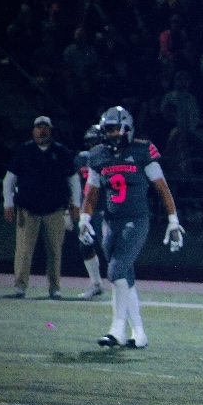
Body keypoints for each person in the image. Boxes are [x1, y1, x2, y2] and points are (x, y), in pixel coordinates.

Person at [78, 106, 185, 348]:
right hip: (111, 222)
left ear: (127, 129)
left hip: (136, 220)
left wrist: (173, 220)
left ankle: (116, 330)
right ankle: (139, 333)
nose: (113, 134)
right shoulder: (98, 155)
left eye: (117, 129)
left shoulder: (142, 151)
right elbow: (91, 193)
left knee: (115, 271)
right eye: (109, 129)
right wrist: (84, 218)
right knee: (126, 277)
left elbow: (162, 188)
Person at [3, 116, 81, 299]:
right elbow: (9, 179)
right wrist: (8, 204)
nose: (42, 131)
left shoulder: (61, 152)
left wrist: (75, 203)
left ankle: (55, 287)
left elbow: (73, 179)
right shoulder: (25, 150)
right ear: (33, 131)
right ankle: (20, 286)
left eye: (45, 128)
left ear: (51, 131)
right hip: (27, 209)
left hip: (54, 208)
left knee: (55, 250)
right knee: (24, 250)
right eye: (39, 128)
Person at [75, 124, 105, 300]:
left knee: (109, 247)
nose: (93, 144)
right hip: (88, 209)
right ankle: (96, 283)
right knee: (85, 245)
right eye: (91, 141)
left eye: (97, 140)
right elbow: (74, 184)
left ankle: (122, 285)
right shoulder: (81, 159)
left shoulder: (108, 158)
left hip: (105, 208)